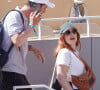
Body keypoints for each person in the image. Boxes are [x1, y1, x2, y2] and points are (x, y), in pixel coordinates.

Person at [1, 0, 55, 90]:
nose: (44, 12)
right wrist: (32, 25)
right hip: (9, 72)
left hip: (16, 72)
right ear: (36, 6)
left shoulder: (24, 19)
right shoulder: (14, 16)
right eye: (44, 8)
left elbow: (14, 42)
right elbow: (17, 41)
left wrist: (31, 48)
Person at [54, 23, 85, 90]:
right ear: (63, 37)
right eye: (67, 32)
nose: (72, 34)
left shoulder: (75, 53)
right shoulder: (64, 52)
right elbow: (61, 77)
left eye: (74, 31)